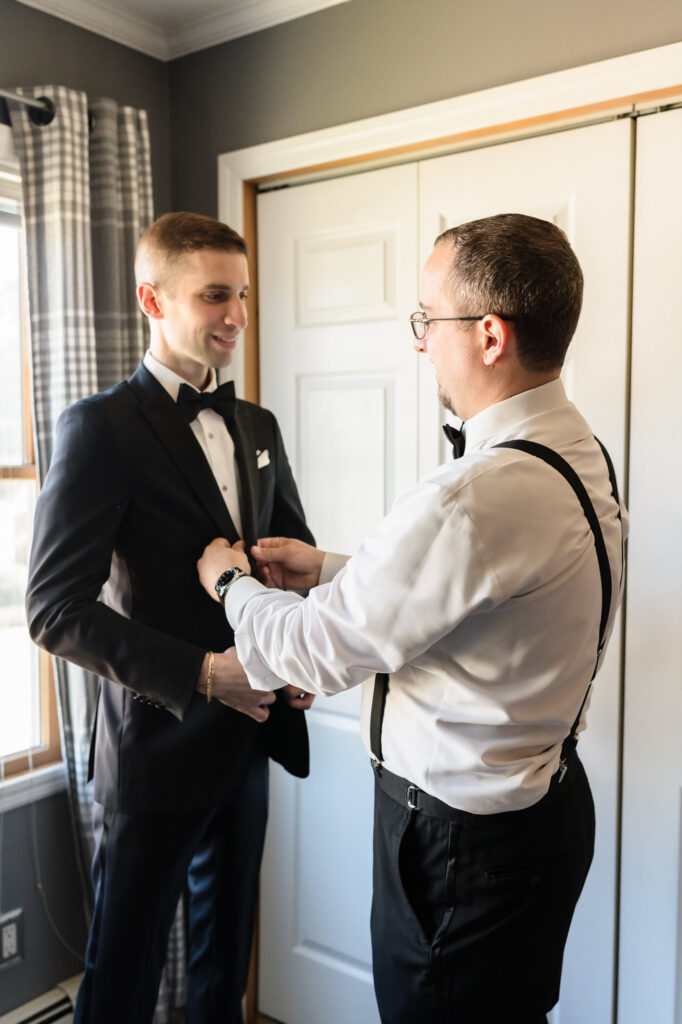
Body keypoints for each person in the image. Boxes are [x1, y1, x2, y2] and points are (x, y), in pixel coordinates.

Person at [196, 213, 627, 1024]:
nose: (421, 341)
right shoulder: (577, 451)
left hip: (459, 852)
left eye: (429, 319)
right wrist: (327, 569)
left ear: (490, 335)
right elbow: (487, 600)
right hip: (541, 816)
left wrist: (229, 585)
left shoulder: (474, 495)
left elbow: (316, 654)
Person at [26, 212, 315, 1024]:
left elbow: (289, 556)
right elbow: (55, 609)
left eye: (245, 294)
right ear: (153, 299)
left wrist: (299, 655)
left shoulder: (258, 426)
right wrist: (202, 674)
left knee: (224, 968)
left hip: (250, 737)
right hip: (154, 747)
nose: (238, 316)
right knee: (124, 973)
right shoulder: (100, 429)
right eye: (216, 295)